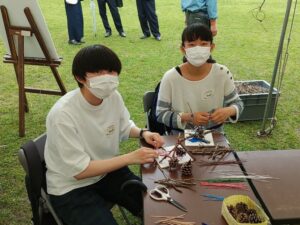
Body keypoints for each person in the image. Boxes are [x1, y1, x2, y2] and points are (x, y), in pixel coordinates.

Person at [44, 44, 164, 225]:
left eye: (111, 71)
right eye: (98, 72)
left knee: (156, 206)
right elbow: (80, 170)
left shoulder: (113, 97)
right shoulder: (63, 115)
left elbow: (123, 126)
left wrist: (143, 133)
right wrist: (130, 157)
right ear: (80, 77)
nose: (106, 77)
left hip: (106, 172)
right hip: (71, 187)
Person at [156, 24, 244, 134]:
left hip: (215, 136)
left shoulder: (222, 73)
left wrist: (229, 110)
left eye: (203, 44)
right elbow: (160, 114)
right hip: (179, 137)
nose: (198, 49)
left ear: (211, 47)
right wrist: (189, 117)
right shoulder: (171, 77)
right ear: (183, 49)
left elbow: (237, 103)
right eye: (192, 45)